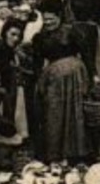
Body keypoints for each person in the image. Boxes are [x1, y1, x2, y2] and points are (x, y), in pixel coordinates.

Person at [33, 27, 90, 164]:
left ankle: (55, 154)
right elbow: (85, 87)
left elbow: (41, 92)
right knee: (77, 120)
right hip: (76, 100)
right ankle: (78, 152)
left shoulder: (51, 69)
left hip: (56, 100)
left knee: (55, 121)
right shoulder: (79, 64)